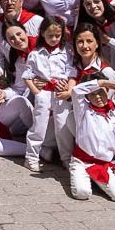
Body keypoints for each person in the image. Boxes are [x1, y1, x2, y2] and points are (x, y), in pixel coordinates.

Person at [67, 74, 115, 202]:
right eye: (92, 94)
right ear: (86, 96)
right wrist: (101, 83)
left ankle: (102, 180)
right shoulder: (83, 110)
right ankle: (85, 178)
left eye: (100, 92)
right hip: (82, 161)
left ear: (107, 91)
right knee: (82, 193)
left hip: (103, 164)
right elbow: (75, 90)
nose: (97, 96)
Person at [21, 17, 75, 171]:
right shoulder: (36, 54)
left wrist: (67, 86)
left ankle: (66, 157)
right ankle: (31, 157)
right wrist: (36, 92)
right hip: (44, 92)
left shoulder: (66, 52)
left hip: (60, 92)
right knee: (39, 124)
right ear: (43, 33)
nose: (54, 39)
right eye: (50, 35)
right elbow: (27, 75)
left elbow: (71, 72)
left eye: (57, 36)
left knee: (62, 124)